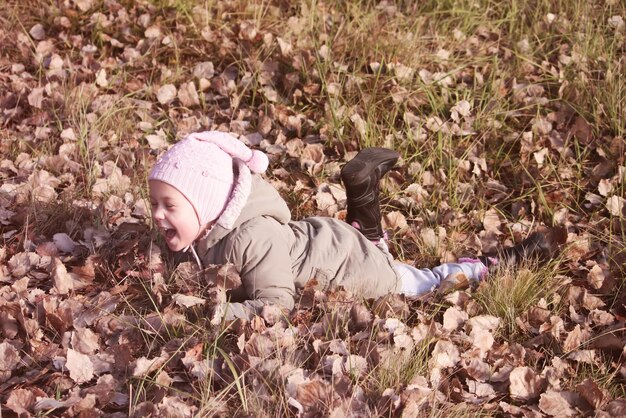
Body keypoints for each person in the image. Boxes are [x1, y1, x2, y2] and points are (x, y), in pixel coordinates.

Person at [148, 131, 555, 320]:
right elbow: (166, 247)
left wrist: (218, 313)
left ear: (208, 205)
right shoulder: (202, 227)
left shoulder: (252, 237)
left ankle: (500, 262)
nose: (157, 215)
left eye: (169, 206)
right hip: (329, 244)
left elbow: (278, 305)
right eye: (155, 204)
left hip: (356, 271)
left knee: (425, 283)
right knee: (370, 247)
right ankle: (363, 197)